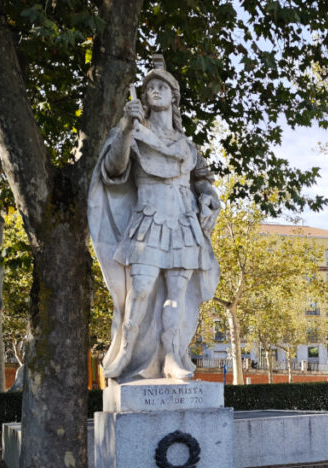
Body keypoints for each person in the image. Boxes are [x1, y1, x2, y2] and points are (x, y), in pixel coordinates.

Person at [88, 55, 221, 382]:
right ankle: (126, 354)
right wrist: (125, 129)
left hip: (183, 221)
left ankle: (173, 357)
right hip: (148, 220)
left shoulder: (188, 145)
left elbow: (202, 180)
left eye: (162, 86)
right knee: (141, 290)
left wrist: (209, 198)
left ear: (173, 96)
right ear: (143, 98)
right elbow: (114, 170)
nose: (155, 91)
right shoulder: (133, 132)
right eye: (149, 88)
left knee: (176, 293)